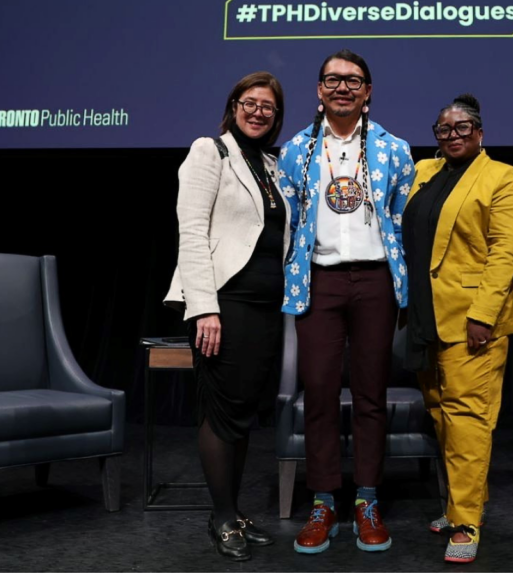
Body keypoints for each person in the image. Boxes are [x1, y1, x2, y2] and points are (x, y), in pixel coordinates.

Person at [277, 49, 416, 554]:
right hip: (319, 282)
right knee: (317, 391)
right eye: (332, 80)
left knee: (370, 394)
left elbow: (402, 219)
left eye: (353, 80)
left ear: (368, 91)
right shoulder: (296, 152)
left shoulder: (394, 149)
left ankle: (367, 500)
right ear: (318, 91)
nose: (342, 87)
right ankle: (322, 502)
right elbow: (289, 225)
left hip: (376, 280)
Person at [163, 71, 288, 562]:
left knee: (241, 414)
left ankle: (233, 513)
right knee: (221, 412)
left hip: (265, 309)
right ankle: (220, 518)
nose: (258, 112)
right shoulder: (208, 152)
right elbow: (191, 233)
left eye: (269, 107)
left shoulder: (274, 165)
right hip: (225, 303)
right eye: (250, 102)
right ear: (233, 105)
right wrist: (205, 310)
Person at [405, 94, 513, 563]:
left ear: (480, 133)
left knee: (468, 421)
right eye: (443, 129)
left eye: (462, 128)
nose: (452, 135)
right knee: (440, 413)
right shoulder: (424, 172)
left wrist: (483, 314)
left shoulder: (502, 176)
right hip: (425, 317)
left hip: (474, 321)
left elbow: (506, 251)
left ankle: (466, 523)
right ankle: (463, 501)